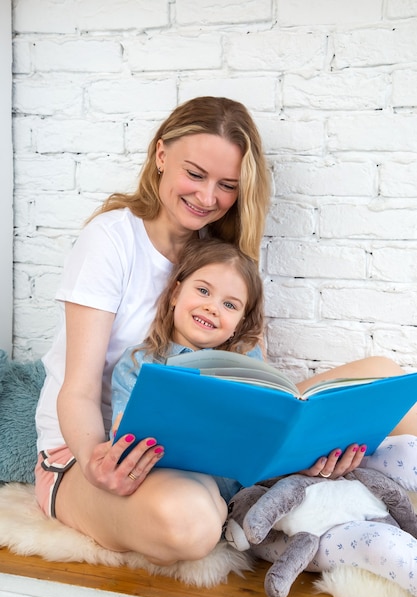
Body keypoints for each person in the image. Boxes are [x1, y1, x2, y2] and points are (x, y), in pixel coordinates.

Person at [34, 95, 415, 566]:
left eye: (227, 185)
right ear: (160, 156)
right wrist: (97, 461)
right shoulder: (112, 240)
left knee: (388, 381)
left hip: (212, 448)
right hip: (98, 455)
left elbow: (257, 385)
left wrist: (306, 448)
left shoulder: (224, 259)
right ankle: (214, 506)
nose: (208, 197)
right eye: (195, 174)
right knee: (191, 522)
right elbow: (78, 390)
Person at [111, 237, 265, 502]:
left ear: (239, 324)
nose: (212, 307)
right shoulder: (140, 362)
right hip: (174, 486)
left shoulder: (246, 359)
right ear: (175, 294)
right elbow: (123, 432)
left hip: (240, 491)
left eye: (229, 305)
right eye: (203, 291)